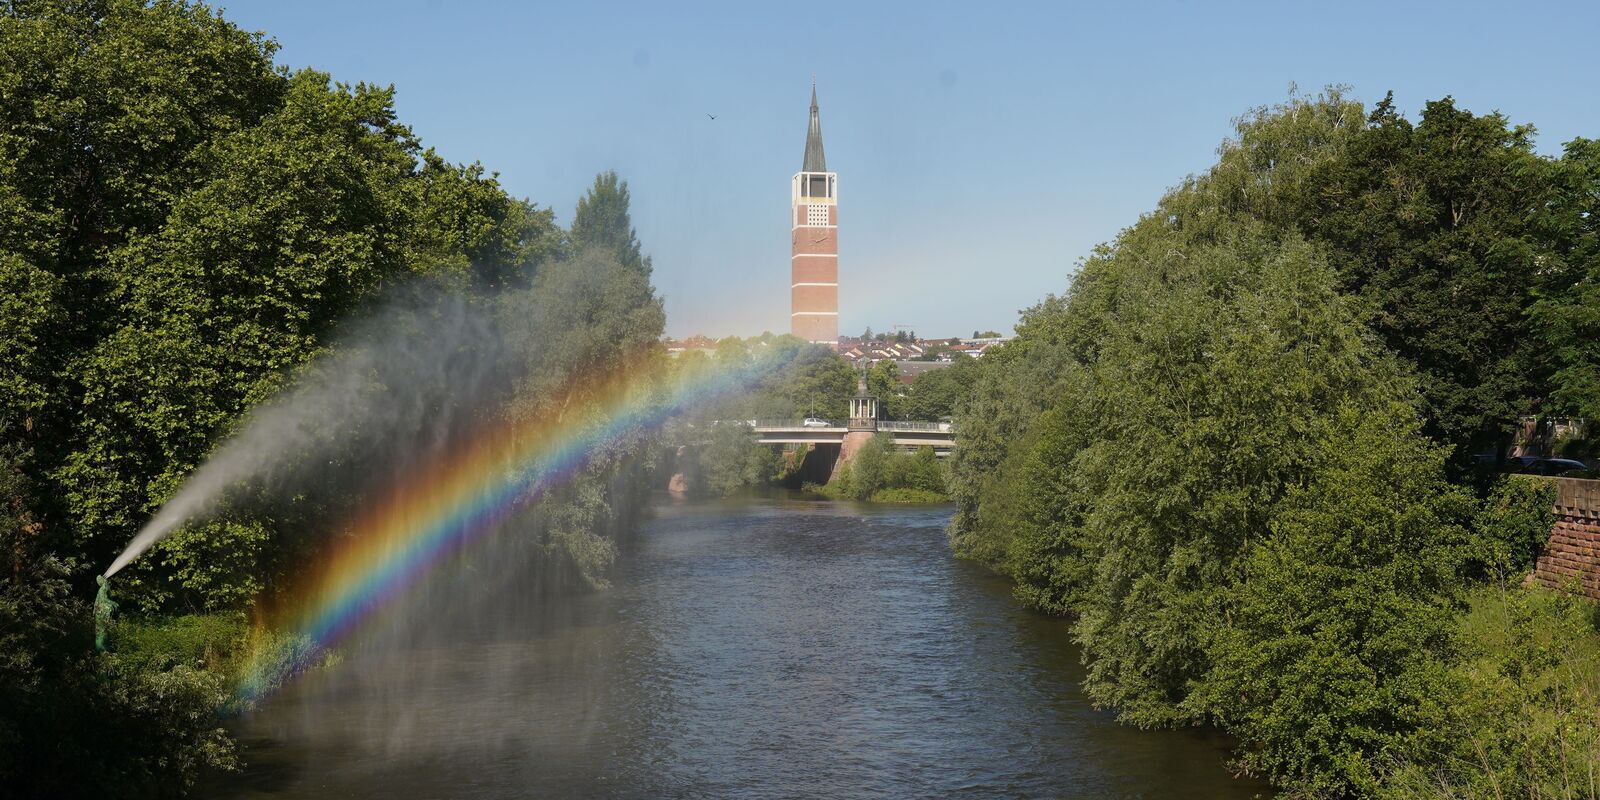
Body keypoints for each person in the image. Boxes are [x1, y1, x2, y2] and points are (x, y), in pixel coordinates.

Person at [94, 574, 117, 652]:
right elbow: (104, 600)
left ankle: (101, 648)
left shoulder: (101, 589)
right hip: (101, 613)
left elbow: (102, 601)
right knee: (103, 631)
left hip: (100, 613)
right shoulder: (103, 588)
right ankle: (102, 649)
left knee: (102, 631)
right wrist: (113, 604)